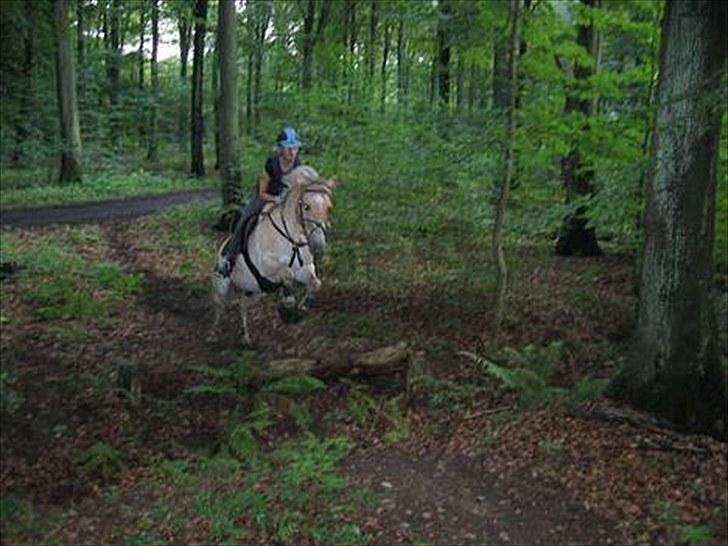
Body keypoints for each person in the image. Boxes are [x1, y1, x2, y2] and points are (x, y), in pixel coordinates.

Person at [218, 126, 303, 277]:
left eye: (295, 148)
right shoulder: (271, 164)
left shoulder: (298, 164)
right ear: (280, 149)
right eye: (288, 148)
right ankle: (229, 260)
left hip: (285, 202)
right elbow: (262, 193)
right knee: (245, 219)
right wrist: (277, 199)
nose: (292, 152)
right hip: (265, 197)